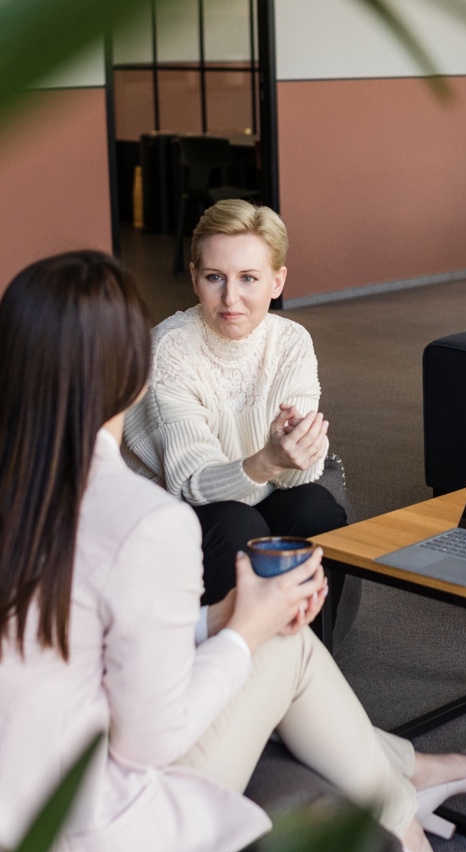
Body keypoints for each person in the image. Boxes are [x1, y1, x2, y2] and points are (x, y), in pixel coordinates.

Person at [0, 250, 466, 852]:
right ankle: (407, 837)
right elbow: (154, 740)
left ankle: (412, 775)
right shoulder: (144, 520)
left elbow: (59, 628)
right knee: (286, 643)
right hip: (71, 830)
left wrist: (221, 615)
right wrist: (248, 633)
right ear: (135, 377)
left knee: (259, 623)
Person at [123, 199, 348, 632]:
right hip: (170, 506)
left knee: (316, 509)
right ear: (194, 278)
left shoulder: (291, 342)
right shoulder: (169, 350)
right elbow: (192, 486)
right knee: (237, 524)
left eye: (248, 278)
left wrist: (299, 453)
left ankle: (312, 658)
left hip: (249, 489)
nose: (231, 299)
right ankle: (242, 671)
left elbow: (302, 474)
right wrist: (269, 460)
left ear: (277, 281)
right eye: (215, 278)